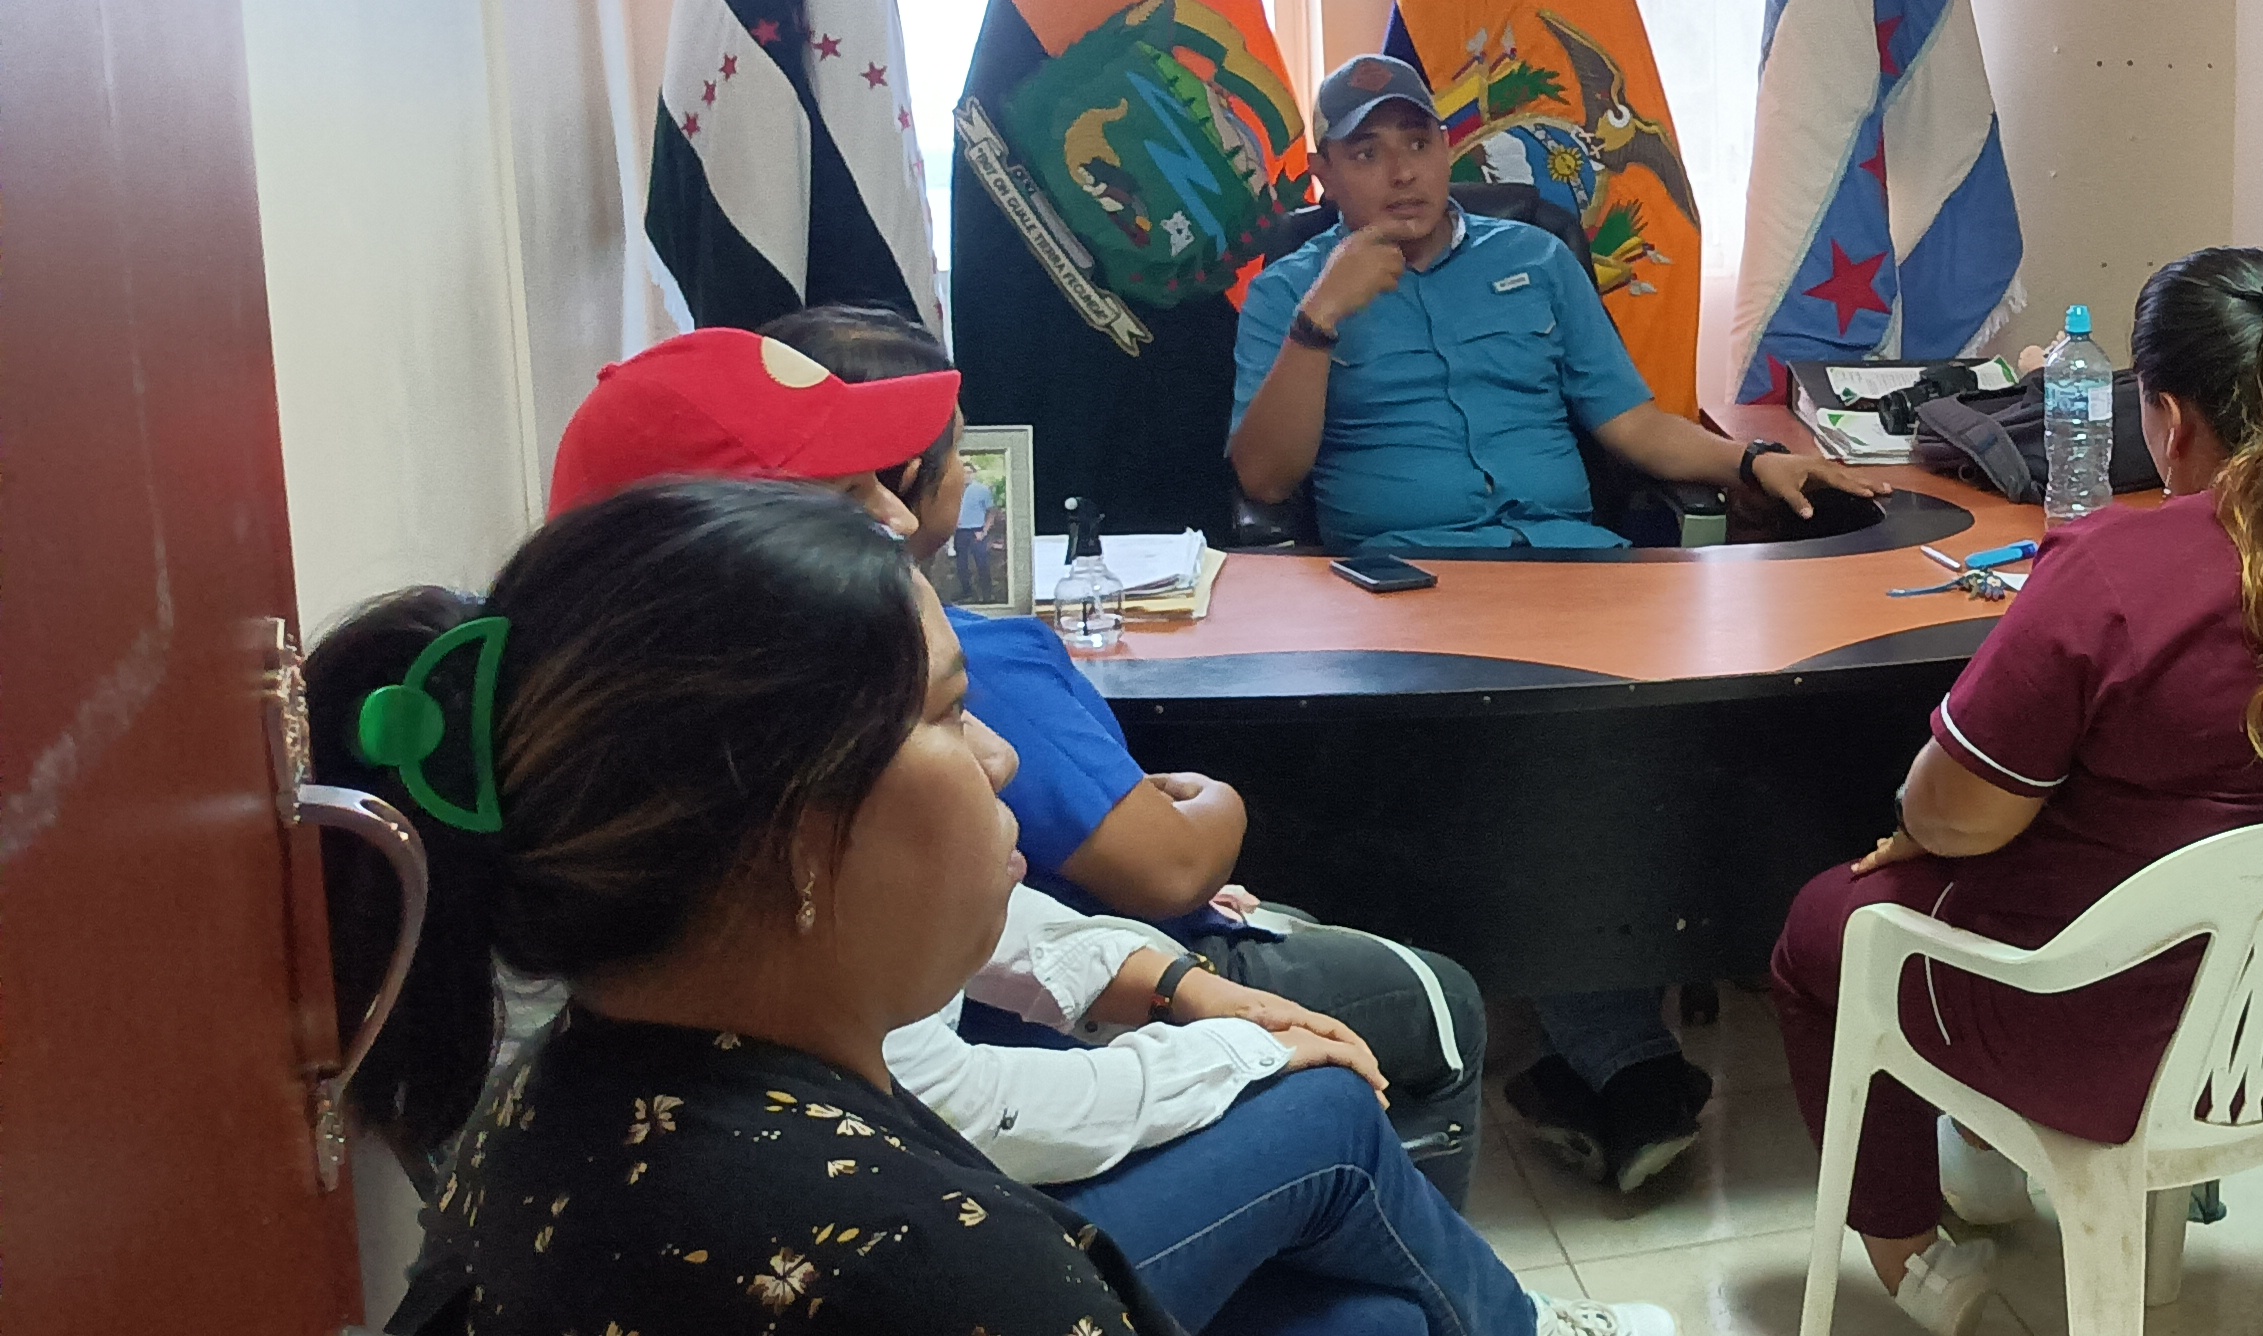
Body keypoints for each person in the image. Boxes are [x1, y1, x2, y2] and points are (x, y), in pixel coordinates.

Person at [314, 480, 1637, 1336]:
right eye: (951, 715)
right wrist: (1227, 1044)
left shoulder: (568, 1083)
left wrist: (1186, 998)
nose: (1000, 758)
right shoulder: (933, 1266)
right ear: (798, 833)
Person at [1770, 247, 2263, 1336]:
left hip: (2098, 1035)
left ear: (2166, 418)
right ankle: (1985, 1156)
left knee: (1824, 924)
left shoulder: (2115, 571)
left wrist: (1920, 836)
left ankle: (1909, 1258)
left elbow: (1952, 816)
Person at [1226, 55, 1881, 1193]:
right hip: (1405, 592)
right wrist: (1323, 321)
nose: (1401, 172)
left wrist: (1752, 462)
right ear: (1325, 172)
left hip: (1577, 569)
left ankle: (1641, 1033)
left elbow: (1628, 423)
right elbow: (1265, 479)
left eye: (1418, 143)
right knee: (1520, 767)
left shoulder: (1535, 260)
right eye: (1367, 152)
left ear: (1448, 150)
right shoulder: (1291, 292)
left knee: (1673, 738)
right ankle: (1620, 1060)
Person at [762, 304, 1495, 1201]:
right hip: (1010, 1102)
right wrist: (1221, 819)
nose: (995, 758)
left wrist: (1178, 987)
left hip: (1060, 1001)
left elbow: (1017, 927)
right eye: (850, 494)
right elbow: (1169, 872)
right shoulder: (955, 662)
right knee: (1429, 1013)